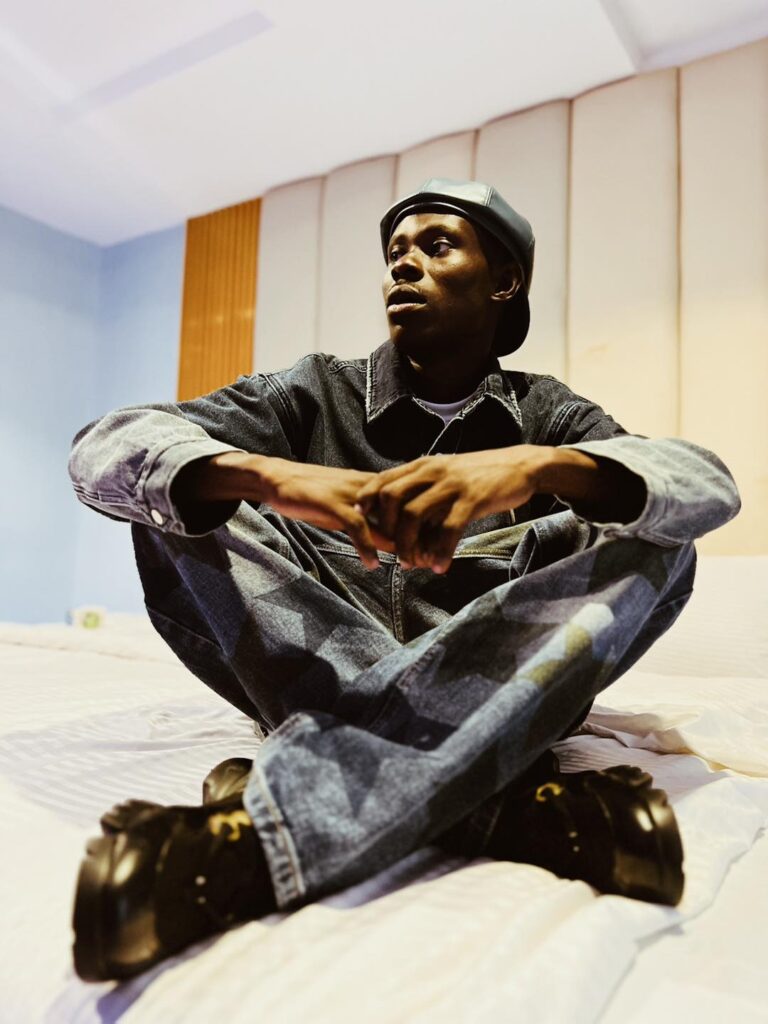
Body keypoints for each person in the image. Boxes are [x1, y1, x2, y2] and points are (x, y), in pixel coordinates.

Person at [68, 179, 740, 982]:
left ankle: (265, 841)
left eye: (437, 245)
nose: (404, 266)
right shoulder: (312, 391)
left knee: (657, 527)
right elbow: (104, 445)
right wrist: (269, 476)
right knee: (181, 490)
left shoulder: (548, 413)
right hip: (318, 663)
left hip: (453, 678)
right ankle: (497, 807)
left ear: (504, 280)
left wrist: (535, 467)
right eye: (395, 253)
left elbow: (708, 482)